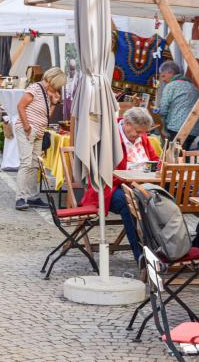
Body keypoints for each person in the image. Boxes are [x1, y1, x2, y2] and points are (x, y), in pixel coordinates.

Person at [80, 107, 159, 263]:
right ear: (127, 123)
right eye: (137, 131)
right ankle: (141, 257)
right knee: (129, 201)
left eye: (143, 132)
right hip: (109, 188)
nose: (139, 135)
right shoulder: (108, 137)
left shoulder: (142, 137)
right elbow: (101, 173)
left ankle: (163, 250)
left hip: (141, 186)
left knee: (161, 199)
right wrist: (130, 175)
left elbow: (155, 159)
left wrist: (158, 166)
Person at [13, 67, 67, 211]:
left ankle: (32, 196)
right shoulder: (35, 88)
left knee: (35, 164)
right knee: (26, 163)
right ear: (53, 81)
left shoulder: (46, 93)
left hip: (39, 132)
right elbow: (20, 106)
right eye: (58, 85)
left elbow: (46, 117)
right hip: (28, 130)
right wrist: (27, 128)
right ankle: (20, 197)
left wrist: (54, 103)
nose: (58, 88)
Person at [158, 61, 199, 150]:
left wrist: (163, 125)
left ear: (171, 73)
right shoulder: (193, 87)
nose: (163, 80)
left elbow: (163, 109)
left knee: (171, 157)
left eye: (163, 76)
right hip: (193, 129)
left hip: (176, 128)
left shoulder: (171, 86)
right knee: (183, 155)